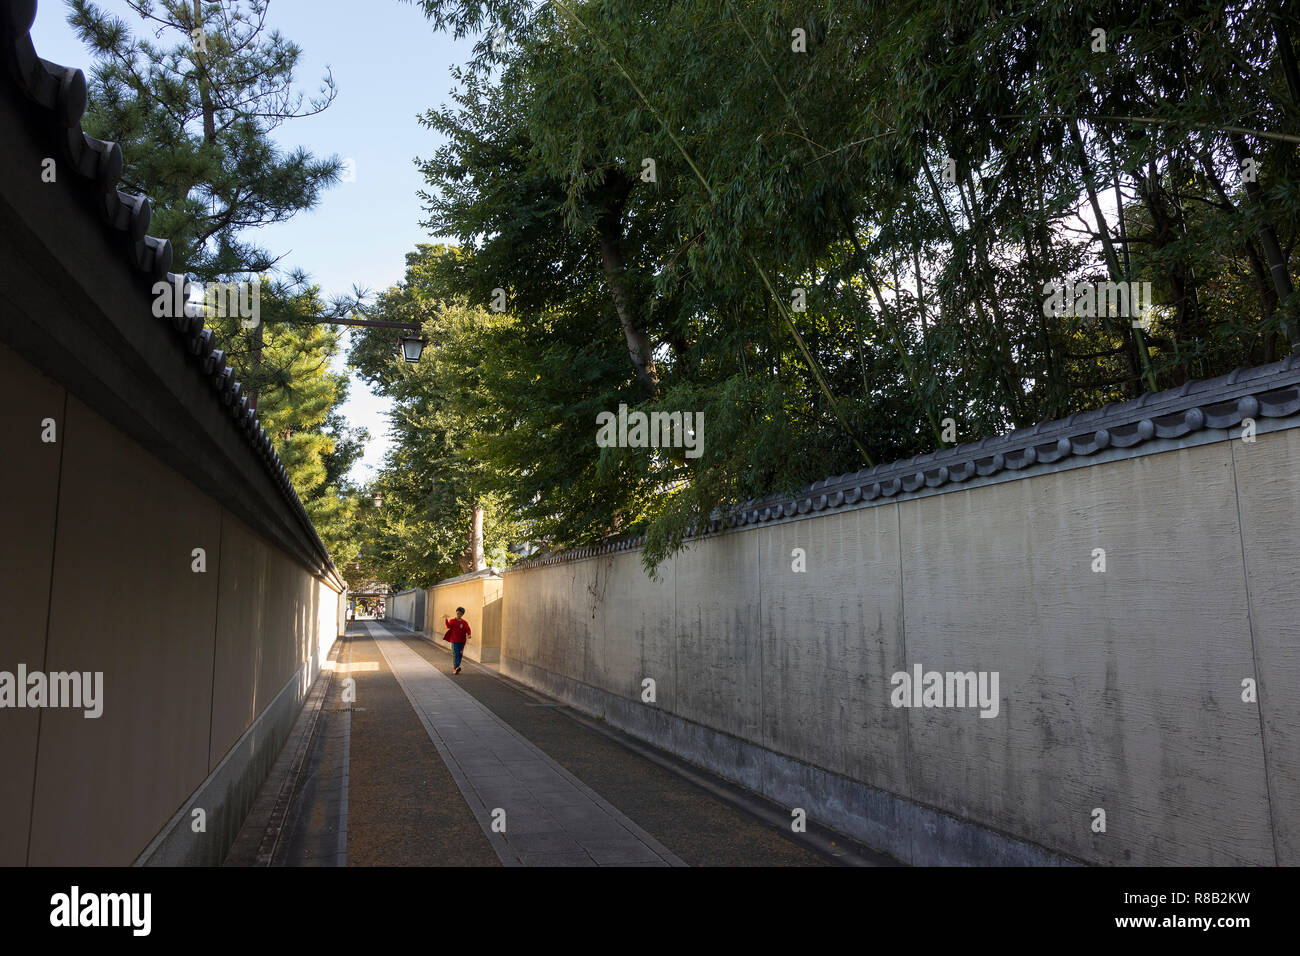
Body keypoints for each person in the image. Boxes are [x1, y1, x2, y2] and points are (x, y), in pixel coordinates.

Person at [442, 607, 472, 674]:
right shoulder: (452, 621)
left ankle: (456, 668)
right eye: (458, 613)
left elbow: (468, 629)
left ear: (462, 614)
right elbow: (448, 626)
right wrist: (446, 619)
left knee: (460, 655)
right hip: (454, 641)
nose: (459, 615)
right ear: (456, 612)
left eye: (460, 614)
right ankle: (457, 667)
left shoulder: (464, 622)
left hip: (462, 641)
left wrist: (469, 634)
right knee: (456, 654)